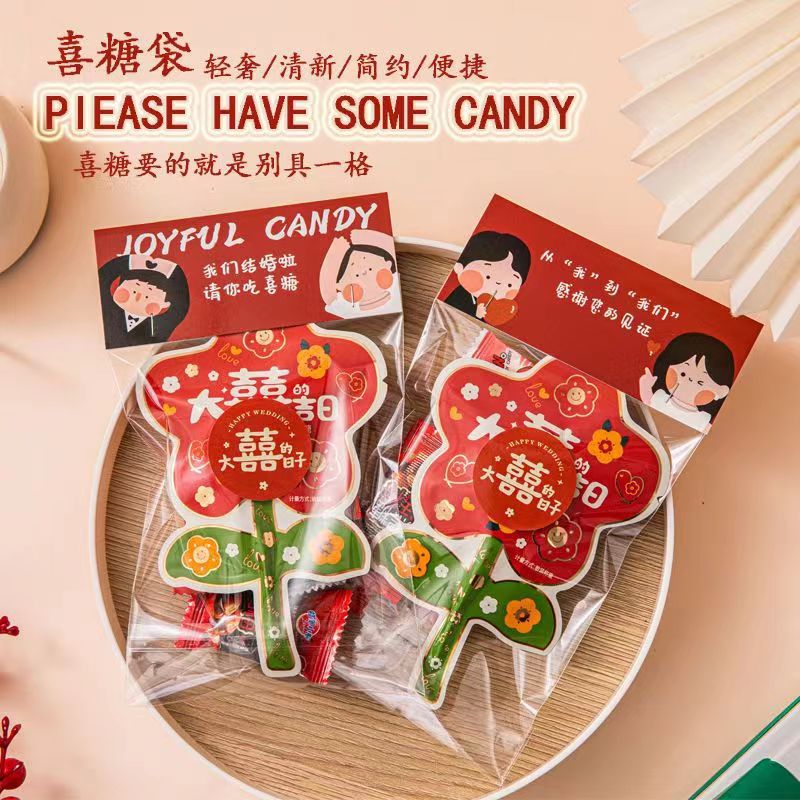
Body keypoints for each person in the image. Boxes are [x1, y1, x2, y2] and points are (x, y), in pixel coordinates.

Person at [639, 332, 734, 432]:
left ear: (720, 392)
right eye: (683, 374)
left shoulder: (701, 419)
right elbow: (648, 401)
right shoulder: (661, 398)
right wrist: (645, 384)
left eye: (700, 382)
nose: (689, 380)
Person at [98, 254, 190, 348]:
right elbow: (102, 280)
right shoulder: (109, 309)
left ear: (165, 304)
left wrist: (171, 270)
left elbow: (181, 304)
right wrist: (130, 261)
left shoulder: (161, 323)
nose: (138, 297)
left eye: (148, 296)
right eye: (134, 290)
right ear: (118, 287)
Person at [444, 230, 531, 320]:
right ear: (459, 267)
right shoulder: (462, 295)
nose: (498, 283)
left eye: (509, 284)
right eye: (488, 277)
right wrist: (476, 315)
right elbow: (449, 313)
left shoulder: (496, 305)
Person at [319, 230, 400, 318]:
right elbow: (330, 299)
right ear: (341, 286)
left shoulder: (398, 286)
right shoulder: (340, 306)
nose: (362, 269)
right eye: (352, 264)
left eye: (365, 258)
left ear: (388, 264)